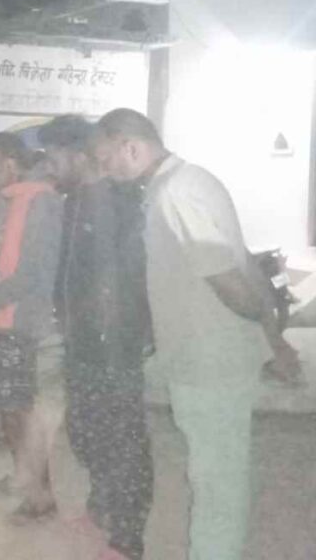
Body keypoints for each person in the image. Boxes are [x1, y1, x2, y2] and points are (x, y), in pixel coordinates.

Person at [94, 108, 294, 560]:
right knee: (217, 474)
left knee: (216, 481)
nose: (106, 170)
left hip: (210, 363)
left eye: (108, 159)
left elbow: (229, 278)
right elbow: (242, 260)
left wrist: (267, 336)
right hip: (208, 358)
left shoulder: (177, 193)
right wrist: (271, 339)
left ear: (132, 147)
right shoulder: (184, 184)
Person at [42, 115, 153, 560]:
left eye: (53, 157)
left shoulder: (117, 200)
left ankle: (128, 538)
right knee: (84, 430)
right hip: (81, 338)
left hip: (113, 344)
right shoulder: (75, 201)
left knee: (122, 439)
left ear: (77, 154)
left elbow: (123, 277)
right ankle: (102, 504)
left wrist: (117, 337)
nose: (48, 166)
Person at [0, 132, 63, 523]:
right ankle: (25, 478)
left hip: (23, 322)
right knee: (8, 410)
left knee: (22, 414)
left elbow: (35, 272)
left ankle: (41, 496)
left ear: (10, 164)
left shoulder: (42, 202)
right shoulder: (3, 201)